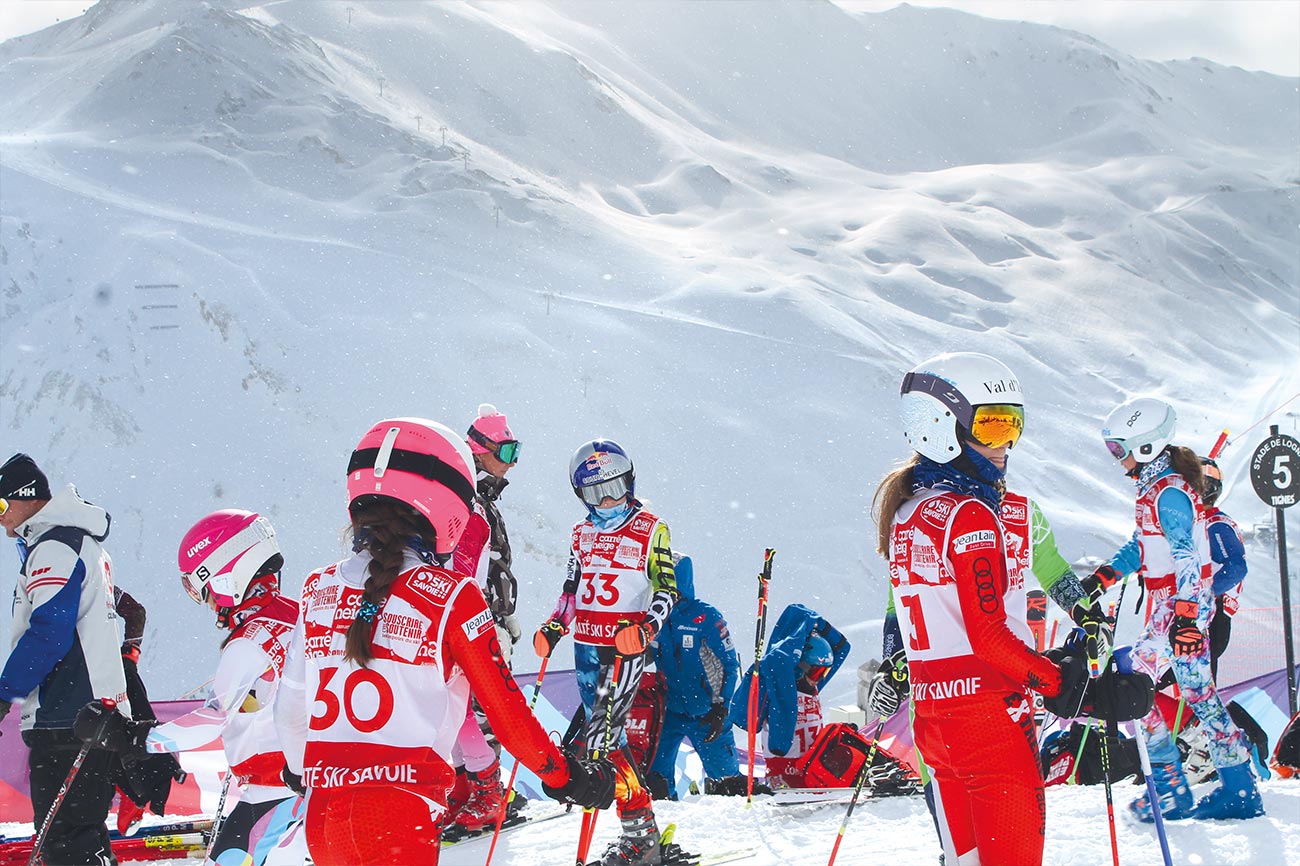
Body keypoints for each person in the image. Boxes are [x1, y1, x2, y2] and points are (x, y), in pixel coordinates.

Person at [272, 418, 613, 865]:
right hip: (399, 818)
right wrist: (567, 776)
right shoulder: (453, 596)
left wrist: (302, 770)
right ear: (449, 505)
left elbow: (290, 709)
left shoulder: (318, 588)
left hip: (323, 819)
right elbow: (504, 711)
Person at [872, 352, 1088, 866]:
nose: (1005, 445)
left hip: (937, 712)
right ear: (939, 426)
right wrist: (1065, 685)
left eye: (1013, 426)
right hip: (990, 710)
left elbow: (1055, 572)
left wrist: (1087, 615)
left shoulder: (907, 510)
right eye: (990, 427)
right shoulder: (971, 514)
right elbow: (987, 637)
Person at [78, 509, 307, 864]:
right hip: (306, 792)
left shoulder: (249, 643)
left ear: (225, 576)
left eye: (203, 589)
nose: (209, 603)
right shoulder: (295, 616)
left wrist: (137, 737)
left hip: (272, 796)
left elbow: (213, 719)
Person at [1089, 397, 1263, 821]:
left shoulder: (1168, 493)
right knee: (1200, 696)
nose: (1118, 459)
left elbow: (1185, 556)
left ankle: (1169, 788)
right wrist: (1106, 576)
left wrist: (1185, 618)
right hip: (1179, 606)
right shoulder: (1158, 487)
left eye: (1120, 448)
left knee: (1131, 683)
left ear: (1146, 446)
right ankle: (1239, 788)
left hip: (1178, 607)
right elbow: (1143, 546)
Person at [534, 439, 679, 866]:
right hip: (586, 649)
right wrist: (554, 625)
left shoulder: (651, 528)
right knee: (604, 745)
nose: (609, 500)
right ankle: (642, 830)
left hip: (622, 649)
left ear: (629, 481)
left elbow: (668, 590)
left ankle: (640, 837)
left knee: (600, 743)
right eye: (597, 494)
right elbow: (571, 590)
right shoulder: (581, 533)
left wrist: (645, 627)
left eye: (615, 487)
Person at [0, 453, 129, 866]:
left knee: (66, 844)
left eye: (0, 506)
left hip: (69, 716)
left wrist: (5, 692)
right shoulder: (68, 542)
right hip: (84, 714)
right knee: (75, 839)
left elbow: (49, 633)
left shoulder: (56, 546)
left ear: (28, 498)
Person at [443, 404, 525, 835]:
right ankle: (487, 792)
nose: (512, 463)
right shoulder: (473, 501)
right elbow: (468, 565)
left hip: (479, 613)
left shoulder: (475, 496)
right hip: (472, 617)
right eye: (508, 451)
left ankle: (473, 789)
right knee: (474, 703)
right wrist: (486, 618)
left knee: (458, 704)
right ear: (482, 449)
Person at [646, 553, 743, 798]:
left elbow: (729, 665)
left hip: (707, 713)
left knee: (727, 785)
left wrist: (721, 707)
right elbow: (643, 655)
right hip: (668, 712)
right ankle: (665, 822)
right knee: (654, 781)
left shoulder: (705, 617)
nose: (666, 592)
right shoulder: (655, 617)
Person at [728, 604, 850, 790]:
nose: (819, 680)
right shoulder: (780, 686)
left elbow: (843, 647)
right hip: (784, 770)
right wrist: (794, 640)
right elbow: (777, 660)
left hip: (813, 766)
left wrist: (818, 624)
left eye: (824, 673)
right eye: (817, 673)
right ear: (801, 666)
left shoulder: (812, 687)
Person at [108, 585, 186, 836]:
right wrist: (130, 655)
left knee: (113, 743)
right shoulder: (96, 574)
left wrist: (129, 656)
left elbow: (136, 612)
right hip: (117, 670)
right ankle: (134, 796)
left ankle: (133, 798)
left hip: (101, 674)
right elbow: (136, 612)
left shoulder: (91, 574)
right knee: (129, 740)